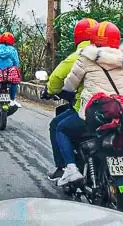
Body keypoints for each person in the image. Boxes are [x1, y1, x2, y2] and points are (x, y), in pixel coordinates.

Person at [54, 21, 123, 186]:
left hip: (93, 114)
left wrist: (67, 90)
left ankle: (70, 169)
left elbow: (71, 83)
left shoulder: (86, 58)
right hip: (118, 112)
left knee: (61, 128)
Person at [40, 18, 98, 181]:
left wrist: (49, 91)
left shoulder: (79, 56)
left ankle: (65, 167)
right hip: (116, 108)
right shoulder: (112, 56)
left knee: (58, 126)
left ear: (77, 36)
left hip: (87, 109)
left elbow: (57, 78)